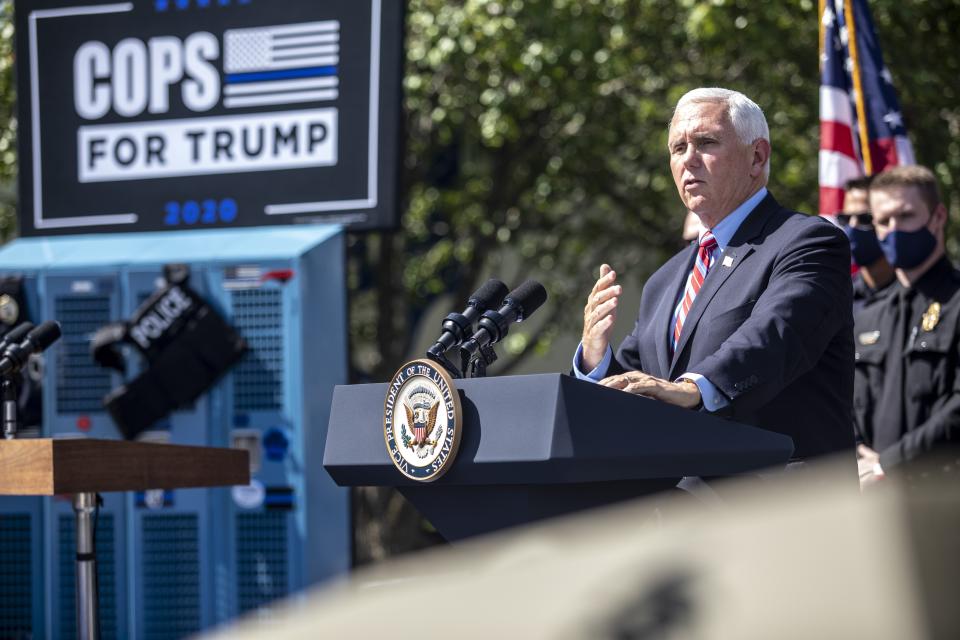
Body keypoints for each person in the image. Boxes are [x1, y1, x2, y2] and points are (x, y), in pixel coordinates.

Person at [573, 87, 855, 463]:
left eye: (706, 142)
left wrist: (694, 388)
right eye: (677, 148)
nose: (688, 160)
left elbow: (775, 337)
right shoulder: (666, 279)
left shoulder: (808, 242)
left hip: (782, 502)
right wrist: (595, 362)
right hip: (680, 506)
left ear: (756, 157)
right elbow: (642, 382)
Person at [853, 165, 960, 487]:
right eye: (883, 221)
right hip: (874, 495)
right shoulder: (869, 315)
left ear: (938, 216)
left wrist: (890, 464)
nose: (894, 229)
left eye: (906, 216)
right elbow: (846, 403)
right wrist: (858, 456)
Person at [839, 176, 896, 310]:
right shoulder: (839, 298)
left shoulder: (916, 294)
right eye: (845, 219)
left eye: (865, 219)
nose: (852, 227)